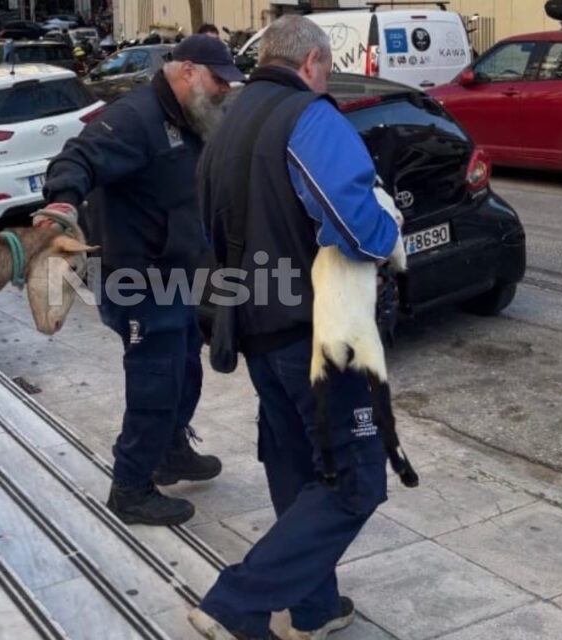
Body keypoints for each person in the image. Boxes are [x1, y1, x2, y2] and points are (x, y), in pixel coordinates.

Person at [189, 15, 402, 640]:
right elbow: (356, 223)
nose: (325, 79)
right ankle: (236, 602)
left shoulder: (224, 129)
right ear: (312, 62)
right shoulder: (308, 117)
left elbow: (212, 237)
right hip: (317, 335)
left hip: (256, 332)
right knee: (354, 482)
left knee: (301, 472)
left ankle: (311, 612)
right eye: (326, 70)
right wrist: (391, 236)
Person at [38, 36, 245, 526]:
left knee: (185, 369)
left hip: (174, 275)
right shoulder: (135, 118)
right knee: (154, 380)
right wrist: (62, 201)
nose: (223, 90)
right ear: (189, 70)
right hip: (135, 278)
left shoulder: (188, 116)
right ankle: (130, 487)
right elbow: (77, 158)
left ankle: (170, 450)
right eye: (218, 80)